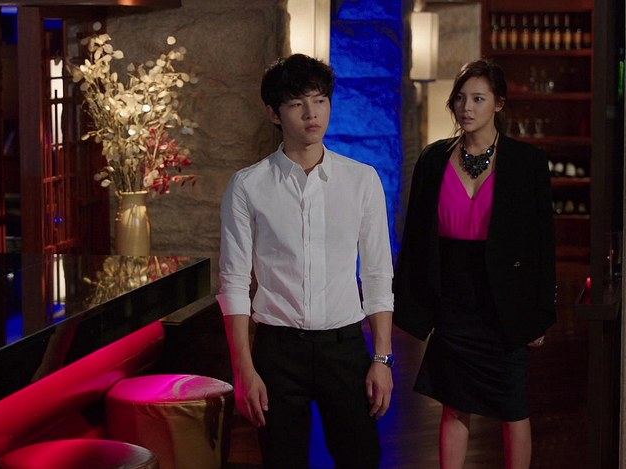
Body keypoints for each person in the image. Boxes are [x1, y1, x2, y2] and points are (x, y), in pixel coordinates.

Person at [216, 53, 395, 469]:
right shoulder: (248, 186)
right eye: (297, 104)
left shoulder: (362, 180)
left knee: (362, 459)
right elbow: (234, 282)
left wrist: (383, 359)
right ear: (273, 113)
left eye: (320, 100)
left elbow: (377, 275)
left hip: (344, 348)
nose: (312, 113)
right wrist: (243, 370)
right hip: (277, 351)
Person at [394, 59, 556, 469]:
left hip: (506, 304)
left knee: (513, 407)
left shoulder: (527, 162)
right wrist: (412, 305)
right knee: (454, 405)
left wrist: (540, 314)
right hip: (452, 302)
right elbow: (416, 239)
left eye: (478, 99)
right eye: (461, 98)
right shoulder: (433, 160)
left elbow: (542, 245)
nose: (467, 107)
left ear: (499, 103)